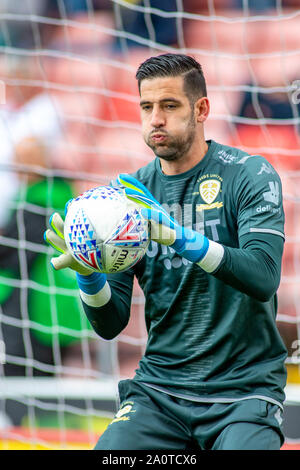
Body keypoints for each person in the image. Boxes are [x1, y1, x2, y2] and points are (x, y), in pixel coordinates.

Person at [45, 53, 287, 450]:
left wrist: (179, 236)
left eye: (170, 105)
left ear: (201, 109)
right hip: (160, 393)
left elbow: (263, 277)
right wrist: (89, 275)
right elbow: (110, 324)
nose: (155, 118)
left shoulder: (249, 174)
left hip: (243, 394)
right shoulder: (124, 203)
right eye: (147, 106)